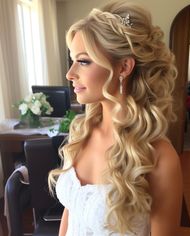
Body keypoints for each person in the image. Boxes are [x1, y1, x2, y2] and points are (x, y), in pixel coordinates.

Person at [48, 1, 182, 235]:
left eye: (83, 61)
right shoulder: (82, 133)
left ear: (123, 67)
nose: (70, 74)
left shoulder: (159, 157)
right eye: (72, 61)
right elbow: (72, 211)